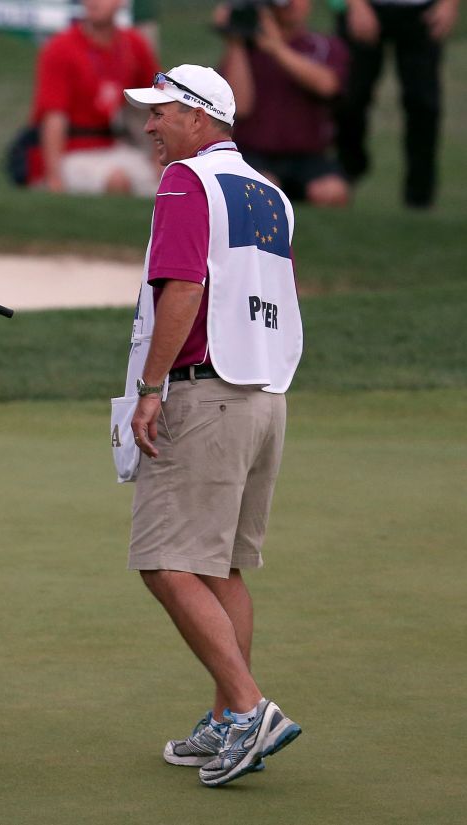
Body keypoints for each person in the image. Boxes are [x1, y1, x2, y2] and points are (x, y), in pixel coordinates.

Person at [119, 64, 304, 787]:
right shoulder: (272, 192)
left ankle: (252, 707)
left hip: (207, 392)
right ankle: (231, 715)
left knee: (164, 561)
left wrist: (149, 387)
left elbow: (185, 286)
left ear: (198, 116)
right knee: (219, 564)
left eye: (160, 113)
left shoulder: (187, 181)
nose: (150, 126)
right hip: (266, 398)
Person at [217, 0, 351, 206]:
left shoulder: (324, 46)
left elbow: (327, 85)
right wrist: (236, 38)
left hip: (308, 156)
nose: (290, 6)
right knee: (261, 189)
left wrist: (276, 48)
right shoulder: (246, 51)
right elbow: (238, 106)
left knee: (331, 191)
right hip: (253, 153)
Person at [27, 0, 161, 195]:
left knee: (168, 183)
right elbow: (53, 117)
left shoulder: (132, 44)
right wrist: (54, 177)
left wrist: (158, 159)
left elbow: (159, 100)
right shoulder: (60, 47)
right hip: (71, 150)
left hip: (112, 145)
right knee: (117, 181)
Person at [334, 0, 459, 208]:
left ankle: (419, 198)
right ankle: (343, 176)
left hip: (422, 10)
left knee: (423, 104)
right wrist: (355, 6)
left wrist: (449, 4)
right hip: (365, 7)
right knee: (351, 97)